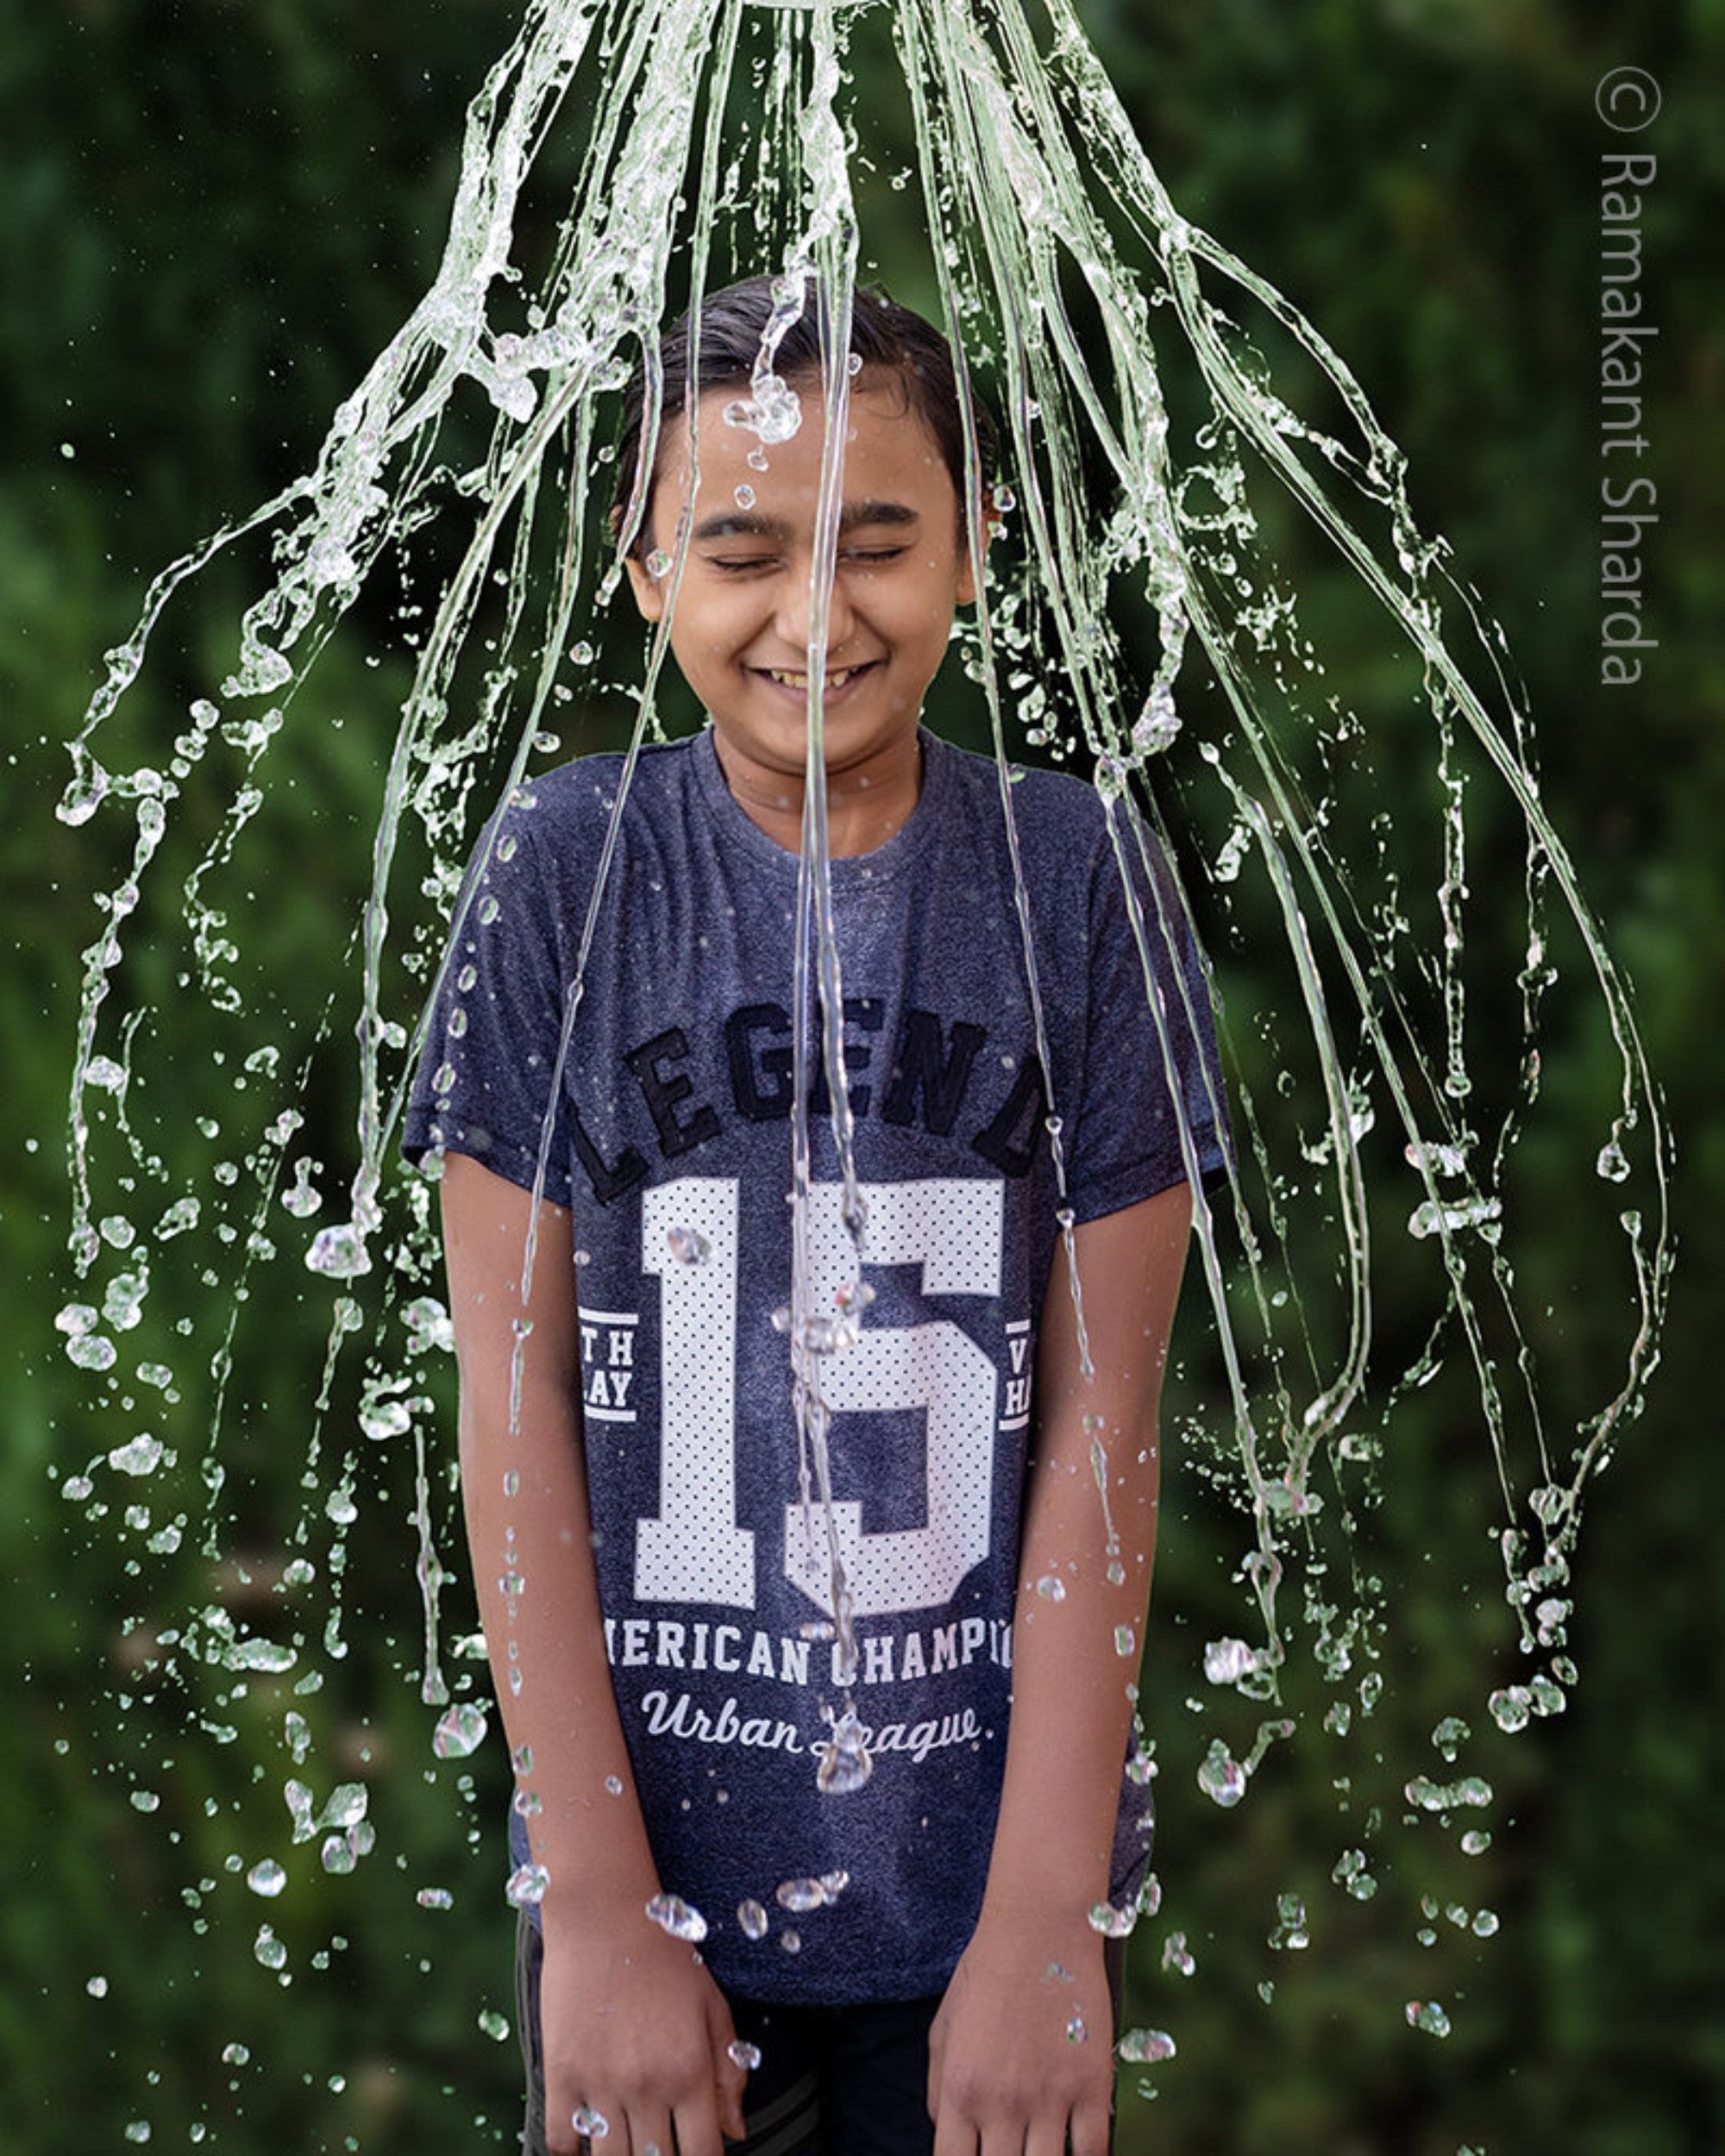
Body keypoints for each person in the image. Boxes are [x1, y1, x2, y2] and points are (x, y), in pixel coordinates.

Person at [405, 275, 1224, 2156]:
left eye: (877, 544)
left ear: (976, 549)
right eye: (742, 550)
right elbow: (510, 1407)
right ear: (641, 565)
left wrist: (1043, 1919)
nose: (811, 614)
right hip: (659, 1886)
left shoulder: (1076, 881)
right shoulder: (566, 869)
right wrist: (598, 1905)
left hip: (983, 1899)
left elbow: (1107, 1423)